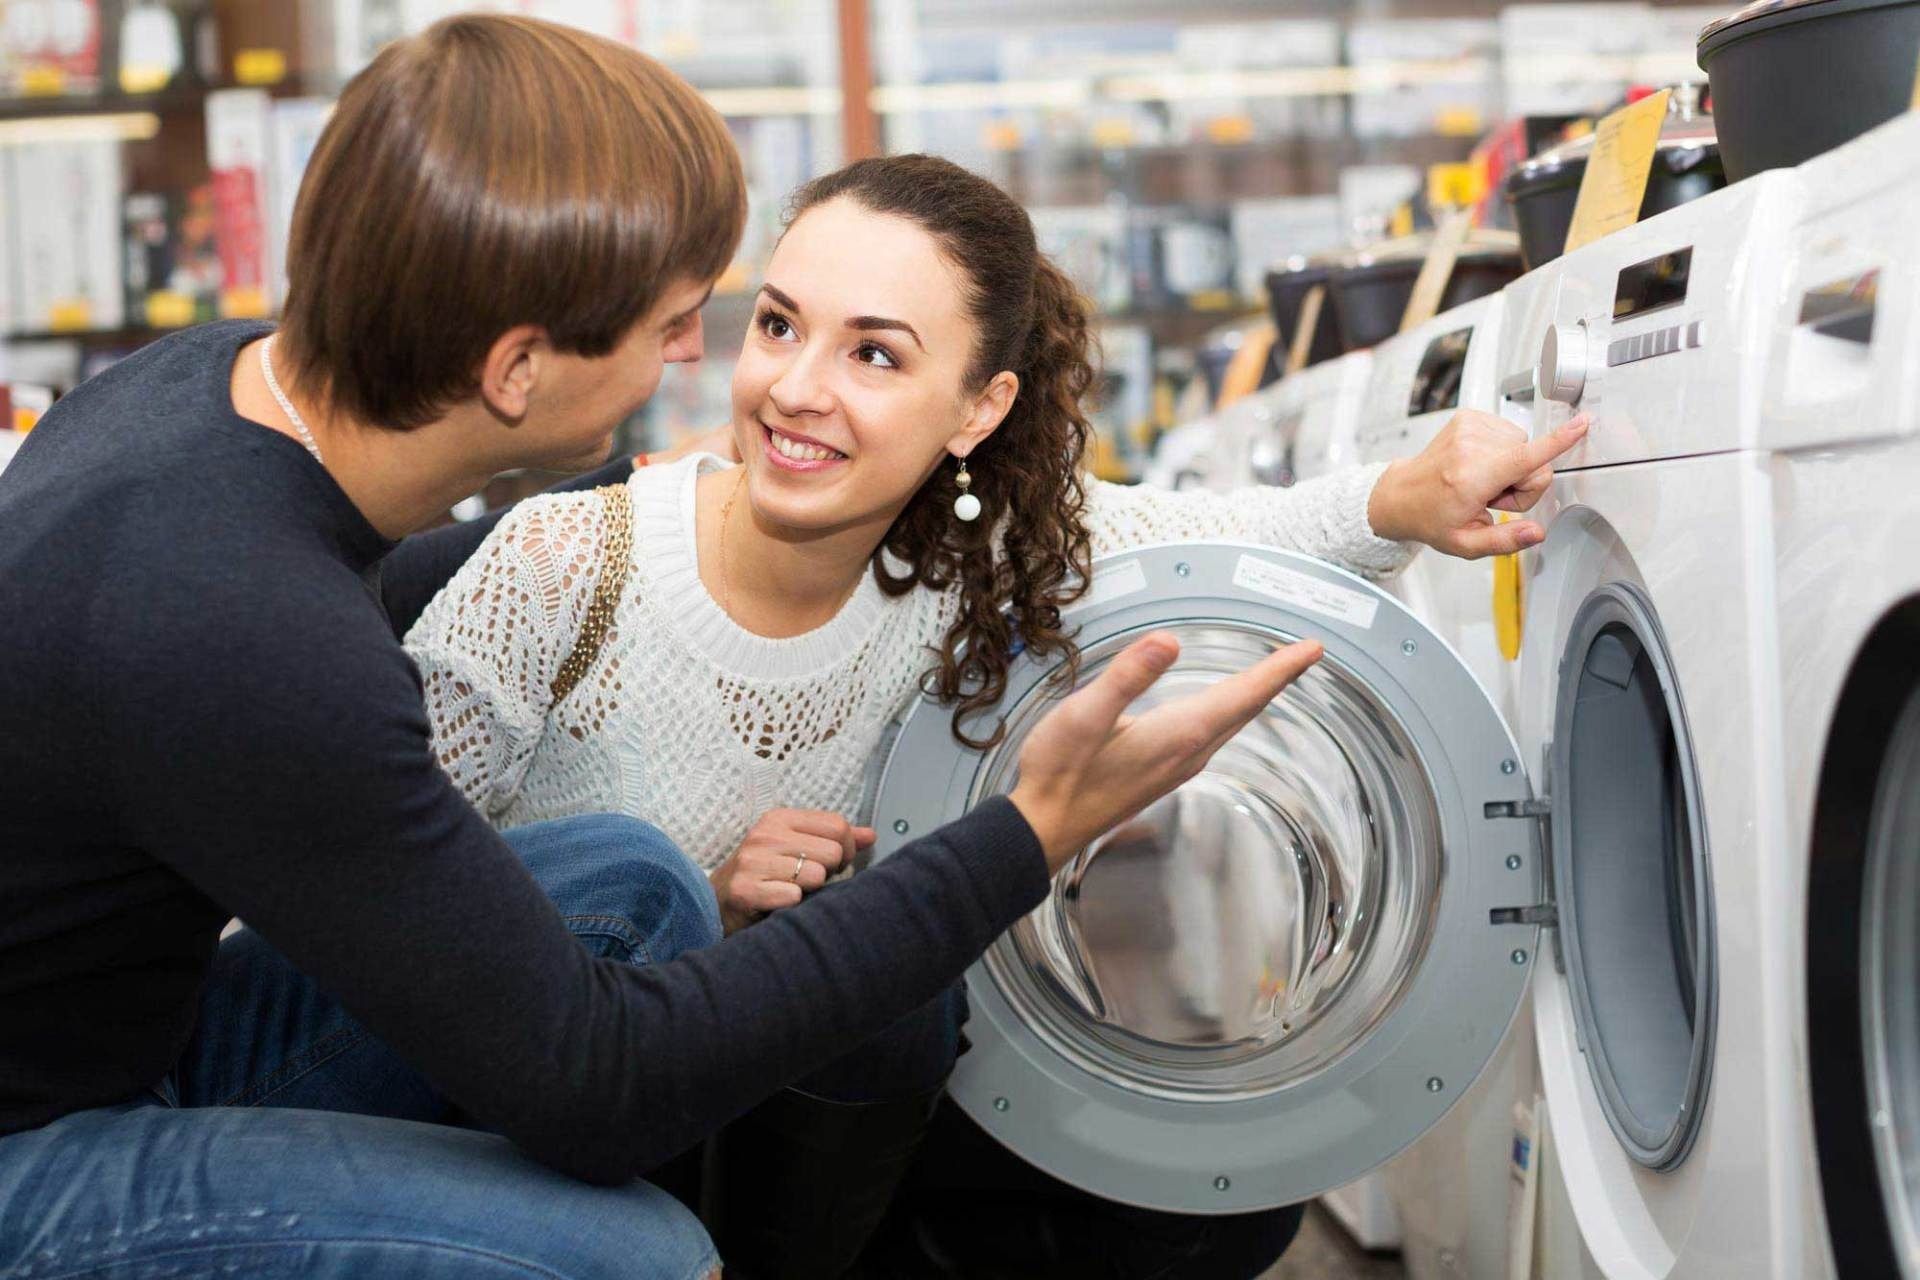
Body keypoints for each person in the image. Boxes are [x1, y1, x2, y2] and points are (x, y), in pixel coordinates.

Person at [0, 16, 1330, 1280]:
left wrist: (1386, 501)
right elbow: (595, 1092)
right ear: (520, 371)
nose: (711, 359)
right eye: (678, 319)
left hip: (119, 1038)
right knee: (640, 1256)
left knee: (635, 882)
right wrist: (1030, 833)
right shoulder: (249, 634)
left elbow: (1140, 518)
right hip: (29, 1158)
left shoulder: (200, 391)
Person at [400, 152, 1590, 1277]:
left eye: (875, 355)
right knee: (849, 977)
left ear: (978, 408)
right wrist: (693, 896)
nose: (795, 389)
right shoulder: (564, 563)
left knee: (1202, 1195)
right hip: (546, 1100)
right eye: (779, 325)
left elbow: (1233, 537)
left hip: (805, 1121)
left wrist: (1408, 492)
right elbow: (377, 899)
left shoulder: (972, 553)